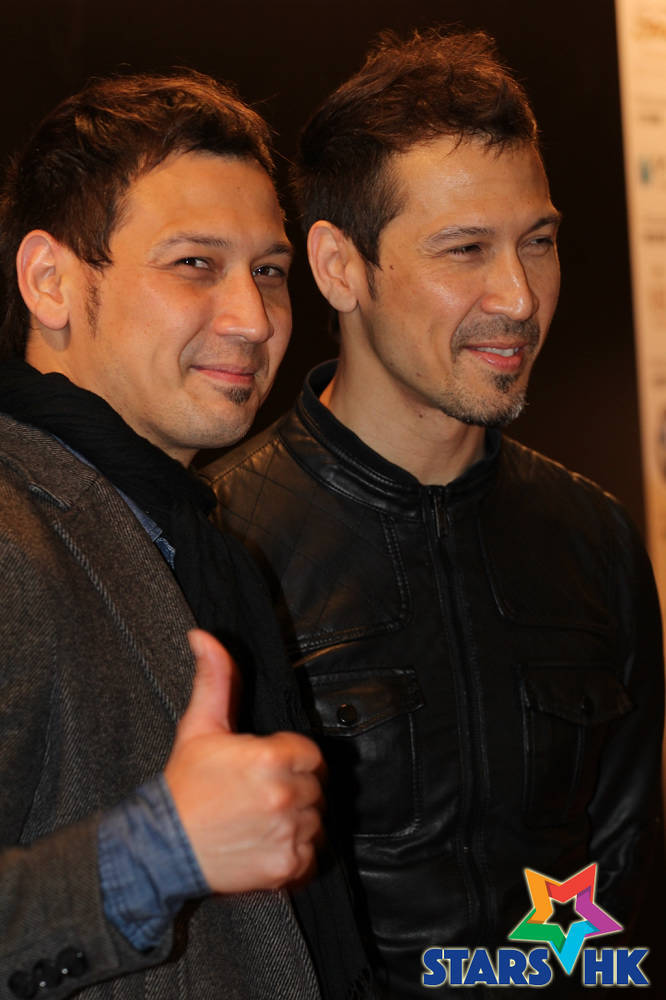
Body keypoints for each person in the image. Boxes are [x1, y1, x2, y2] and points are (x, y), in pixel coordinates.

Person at [206, 29, 665, 997]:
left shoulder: (595, 538)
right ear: (339, 267)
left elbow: (621, 871)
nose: (520, 297)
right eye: (466, 249)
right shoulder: (218, 542)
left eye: (538, 241)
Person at [0, 70, 372, 1000]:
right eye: (195, 264)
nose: (254, 320)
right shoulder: (13, 534)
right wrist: (153, 855)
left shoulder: (198, 543)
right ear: (50, 281)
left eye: (270, 271)